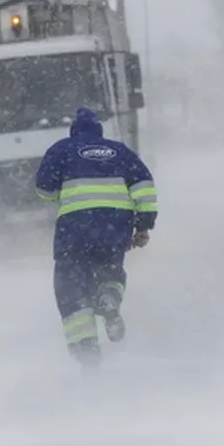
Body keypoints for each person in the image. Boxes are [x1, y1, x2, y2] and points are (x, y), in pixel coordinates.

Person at [34, 108, 157, 368]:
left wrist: (61, 196)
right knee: (111, 269)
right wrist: (143, 226)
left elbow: (43, 187)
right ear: (99, 131)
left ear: (74, 131)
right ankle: (110, 296)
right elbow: (144, 185)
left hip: (75, 230)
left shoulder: (62, 149)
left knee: (70, 285)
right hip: (115, 228)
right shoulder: (120, 151)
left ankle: (86, 345)